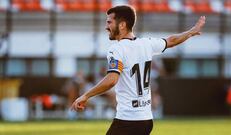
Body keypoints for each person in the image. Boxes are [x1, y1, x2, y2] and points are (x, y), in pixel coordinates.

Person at [71, 5, 205, 135]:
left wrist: (85, 95)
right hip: (146, 120)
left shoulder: (117, 49)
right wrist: (191, 31)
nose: (106, 27)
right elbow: (171, 40)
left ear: (122, 25)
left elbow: (111, 80)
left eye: (109, 22)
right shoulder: (146, 44)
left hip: (128, 120)